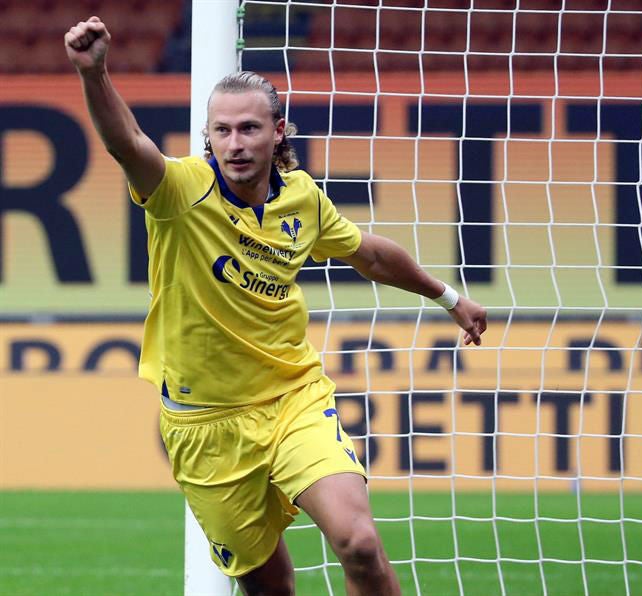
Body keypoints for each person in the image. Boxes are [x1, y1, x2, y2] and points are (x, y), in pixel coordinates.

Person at [65, 16, 487, 596]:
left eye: (249, 129)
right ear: (207, 137)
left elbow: (369, 255)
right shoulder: (180, 192)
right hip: (203, 424)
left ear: (277, 132)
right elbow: (126, 143)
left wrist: (448, 296)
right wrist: (96, 74)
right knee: (272, 588)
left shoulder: (302, 198)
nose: (235, 144)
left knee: (359, 544)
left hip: (292, 397)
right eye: (223, 131)